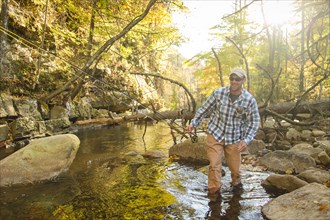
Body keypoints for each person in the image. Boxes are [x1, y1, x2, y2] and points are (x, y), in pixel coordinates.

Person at [186, 68, 260, 198]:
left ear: (243, 80)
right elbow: (204, 109)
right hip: (216, 133)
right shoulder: (218, 93)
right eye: (232, 78)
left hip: (235, 138)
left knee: (235, 171)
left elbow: (254, 122)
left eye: (237, 79)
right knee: (214, 166)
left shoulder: (249, 100)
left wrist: (246, 140)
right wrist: (193, 123)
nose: (234, 81)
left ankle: (236, 186)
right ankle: (214, 196)